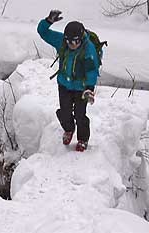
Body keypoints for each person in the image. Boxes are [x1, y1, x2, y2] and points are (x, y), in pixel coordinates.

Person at [37, 10, 100, 152]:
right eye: (68, 40)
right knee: (64, 112)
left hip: (81, 88)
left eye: (74, 41)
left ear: (81, 38)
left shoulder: (88, 49)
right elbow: (43, 32)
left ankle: (83, 139)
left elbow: (91, 70)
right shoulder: (63, 42)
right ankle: (69, 129)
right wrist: (48, 21)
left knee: (80, 114)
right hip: (64, 85)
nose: (71, 44)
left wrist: (89, 89)